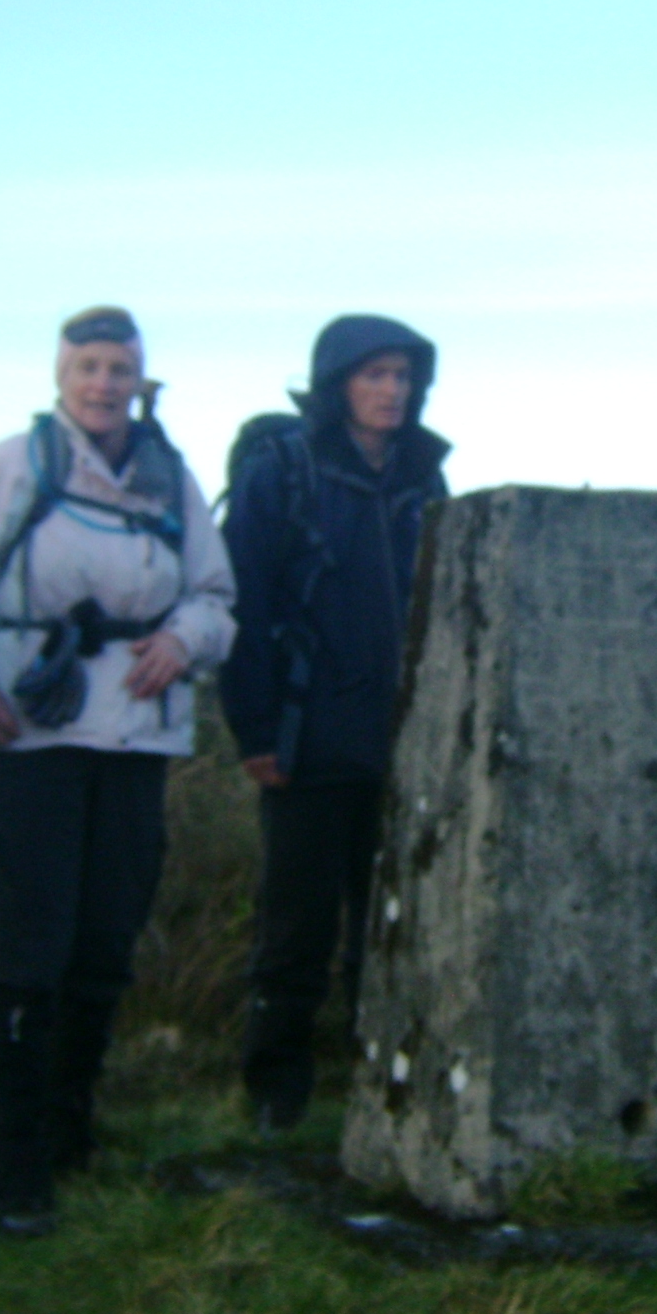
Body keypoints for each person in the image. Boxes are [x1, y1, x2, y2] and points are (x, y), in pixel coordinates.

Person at [0, 306, 235, 1235]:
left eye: (119, 368)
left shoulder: (173, 478)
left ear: (141, 378)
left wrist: (184, 639)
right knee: (30, 953)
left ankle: (71, 1135)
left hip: (139, 740)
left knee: (104, 947)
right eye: (87, 366)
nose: (103, 383)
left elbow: (218, 595)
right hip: (32, 741)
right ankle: (16, 1172)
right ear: (60, 377)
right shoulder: (13, 468)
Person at [220, 315, 449, 1134]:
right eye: (375, 375)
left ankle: (379, 1077)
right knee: (297, 924)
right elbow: (239, 597)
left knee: (392, 921)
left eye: (404, 376)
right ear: (338, 384)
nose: (394, 391)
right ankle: (276, 1092)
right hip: (306, 734)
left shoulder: (425, 475)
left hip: (405, 738)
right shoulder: (282, 471)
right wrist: (253, 730)